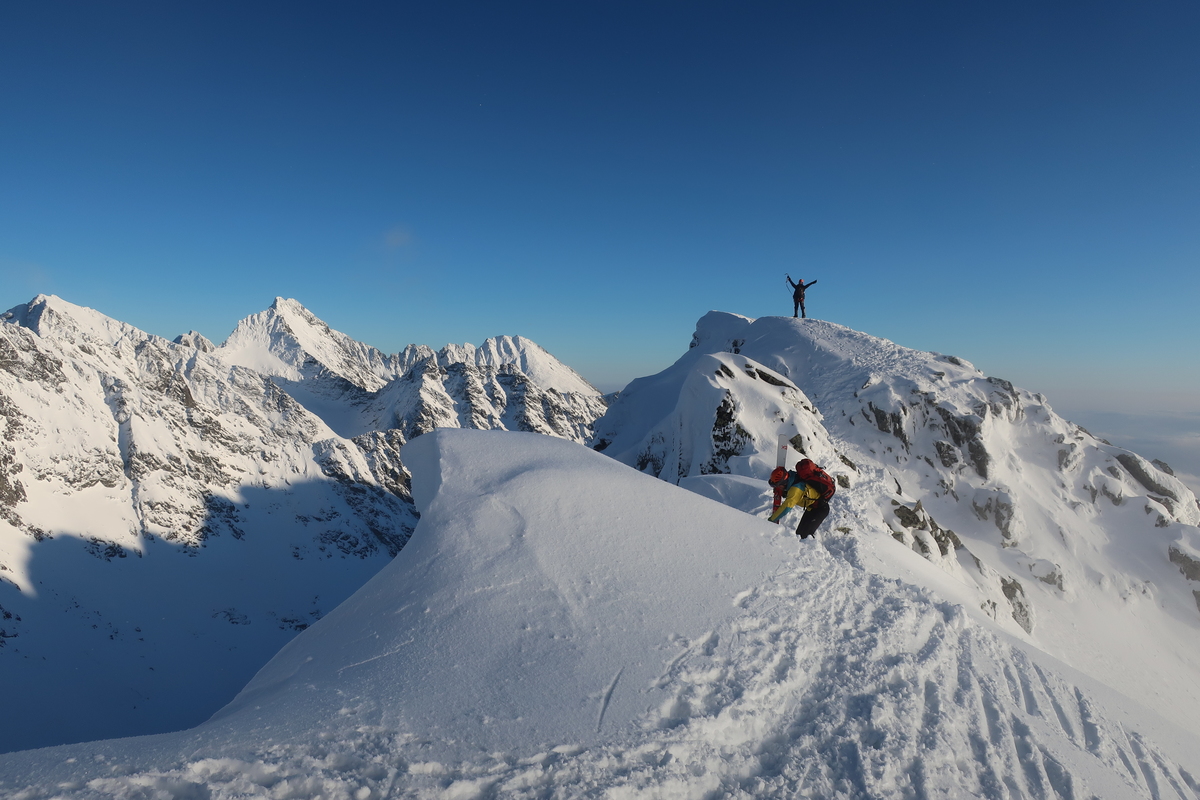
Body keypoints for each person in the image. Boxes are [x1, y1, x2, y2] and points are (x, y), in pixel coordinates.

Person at [768, 458, 834, 539]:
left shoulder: (796, 489)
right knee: (800, 535)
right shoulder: (793, 477)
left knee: (805, 537)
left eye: (777, 485)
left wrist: (771, 520)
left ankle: (812, 550)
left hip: (820, 510)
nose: (777, 487)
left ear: (783, 483)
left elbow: (786, 507)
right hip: (812, 508)